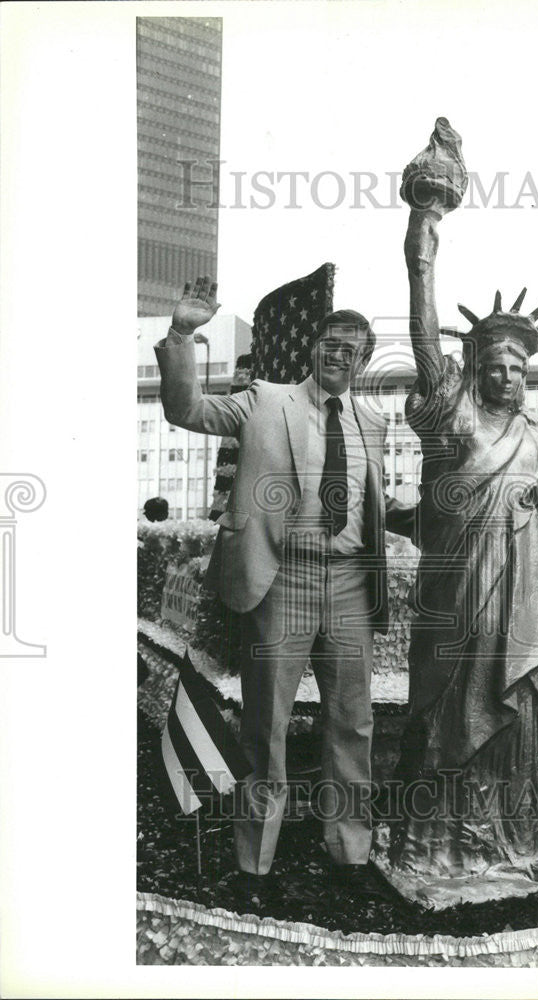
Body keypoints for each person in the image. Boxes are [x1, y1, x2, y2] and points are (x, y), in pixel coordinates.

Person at [155, 276, 414, 900]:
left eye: (352, 349)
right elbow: (184, 410)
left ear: (364, 359)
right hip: (283, 578)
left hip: (351, 584)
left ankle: (350, 856)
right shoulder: (263, 400)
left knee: (352, 723)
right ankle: (255, 866)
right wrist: (184, 333)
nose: (338, 355)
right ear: (314, 349)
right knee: (265, 725)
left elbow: (371, 502)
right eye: (330, 343)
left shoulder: (372, 420)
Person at [386, 201, 538, 899]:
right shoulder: (450, 410)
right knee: (444, 715)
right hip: (457, 597)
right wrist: (422, 245)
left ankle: (510, 844)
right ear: (474, 366)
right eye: (493, 366)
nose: (506, 378)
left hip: (523, 606)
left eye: (517, 369)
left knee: (516, 717)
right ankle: (433, 847)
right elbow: (425, 338)